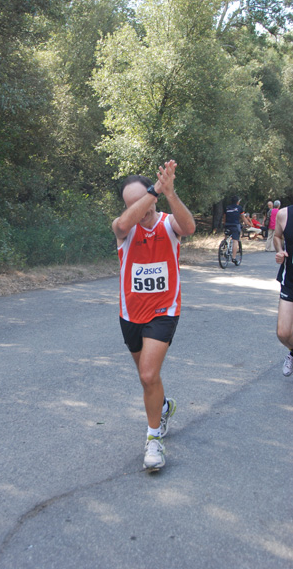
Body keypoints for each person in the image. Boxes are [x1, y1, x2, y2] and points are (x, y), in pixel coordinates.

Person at [112, 160, 196, 471]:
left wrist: (168, 193)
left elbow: (188, 228)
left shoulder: (168, 224)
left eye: (146, 199)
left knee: (148, 374)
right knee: (148, 378)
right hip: (131, 313)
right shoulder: (122, 228)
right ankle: (162, 407)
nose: (141, 207)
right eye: (133, 202)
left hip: (164, 311)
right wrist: (154, 191)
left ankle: (153, 440)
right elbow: (124, 222)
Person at [274, 205, 293, 376]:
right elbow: (277, 236)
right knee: (283, 333)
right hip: (290, 280)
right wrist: (280, 251)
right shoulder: (284, 214)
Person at [224, 196, 250, 264]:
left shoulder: (227, 207)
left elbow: (224, 217)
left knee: (227, 235)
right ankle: (234, 258)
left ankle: (225, 245)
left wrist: (224, 223)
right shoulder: (239, 208)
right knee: (235, 240)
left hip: (227, 225)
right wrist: (249, 224)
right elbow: (243, 218)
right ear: (238, 202)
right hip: (235, 225)